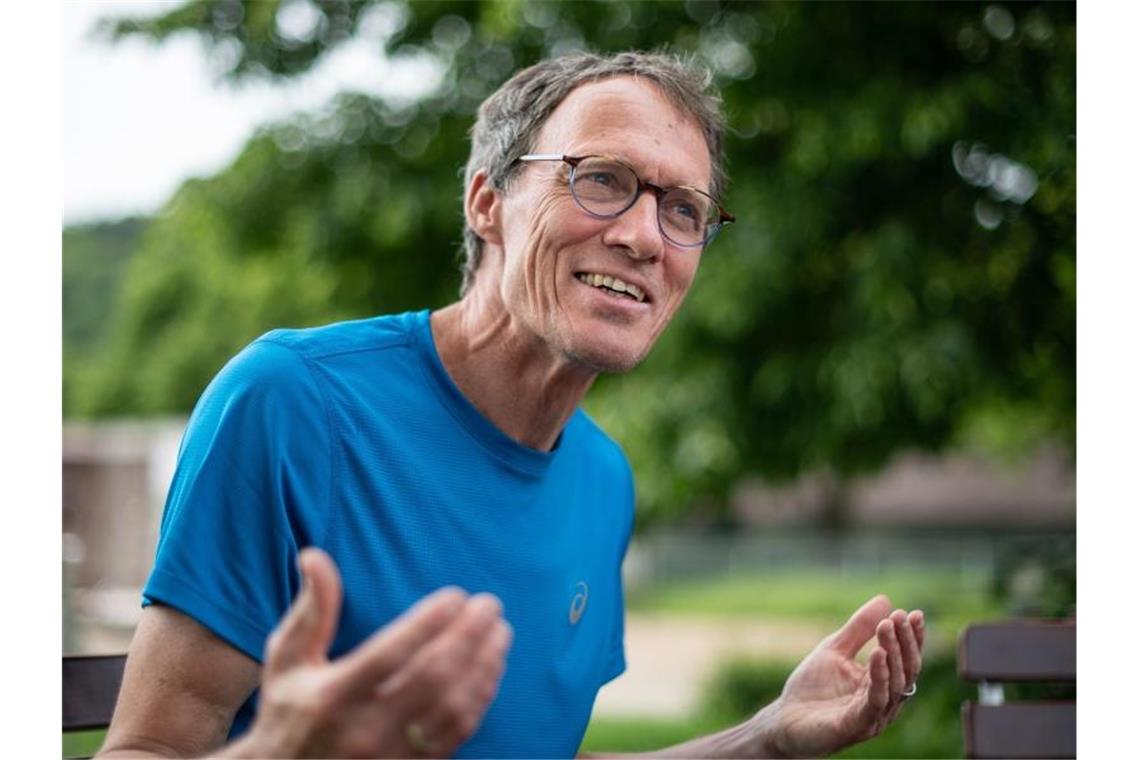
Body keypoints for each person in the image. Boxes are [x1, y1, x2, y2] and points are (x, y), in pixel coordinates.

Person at [99, 51, 924, 759]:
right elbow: (147, 744)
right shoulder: (290, 402)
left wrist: (767, 735)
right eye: (602, 179)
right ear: (487, 202)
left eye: (684, 211)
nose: (645, 237)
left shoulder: (604, 478)